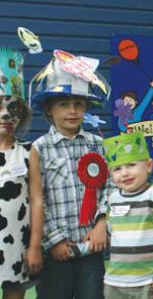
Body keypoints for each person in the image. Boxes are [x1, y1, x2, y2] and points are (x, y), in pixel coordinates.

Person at [29, 49, 112, 299]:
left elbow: (110, 187)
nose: (72, 111)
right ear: (49, 111)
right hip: (55, 252)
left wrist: (102, 224)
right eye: (63, 104)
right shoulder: (38, 149)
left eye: (79, 104)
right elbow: (35, 199)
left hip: (91, 250)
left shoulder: (97, 144)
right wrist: (53, 240)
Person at [103, 131, 153, 299]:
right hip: (115, 283)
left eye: (131, 165)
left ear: (149, 165)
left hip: (149, 282)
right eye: (117, 169)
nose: (124, 173)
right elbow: (109, 234)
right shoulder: (113, 199)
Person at [0, 47, 43, 299]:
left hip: (17, 243)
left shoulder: (28, 152)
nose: (6, 114)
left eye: (13, 108)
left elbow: (37, 200)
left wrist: (35, 246)